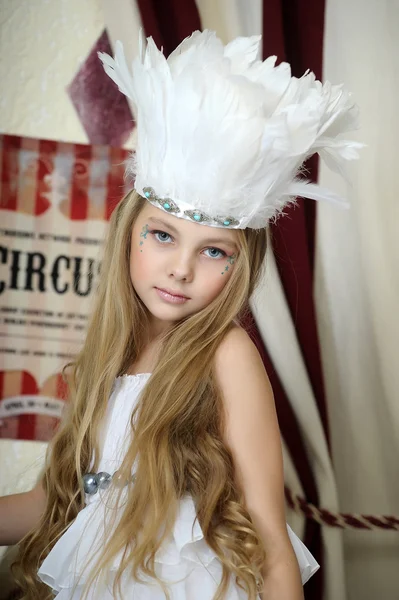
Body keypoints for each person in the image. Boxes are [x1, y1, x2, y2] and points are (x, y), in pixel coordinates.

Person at [0, 29, 362, 600]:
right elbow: (67, 499)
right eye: (163, 236)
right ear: (129, 233)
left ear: (239, 265)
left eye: (213, 250)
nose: (181, 269)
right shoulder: (108, 355)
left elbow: (268, 537)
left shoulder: (226, 354)